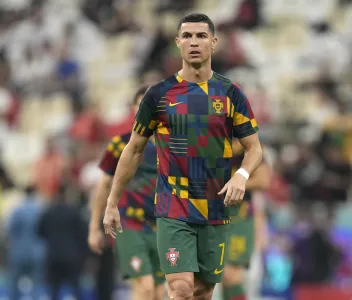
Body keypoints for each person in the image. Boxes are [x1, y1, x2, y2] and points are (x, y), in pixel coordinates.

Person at [103, 13, 263, 300]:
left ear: (213, 43)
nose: (193, 42)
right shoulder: (158, 95)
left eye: (201, 36)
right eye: (187, 36)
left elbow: (254, 148)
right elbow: (134, 149)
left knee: (203, 293)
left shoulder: (231, 93)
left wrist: (242, 175)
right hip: (173, 208)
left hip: (215, 209)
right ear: (177, 43)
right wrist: (112, 201)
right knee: (180, 289)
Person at [88, 84, 166, 300]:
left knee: (160, 293)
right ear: (133, 109)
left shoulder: (170, 146)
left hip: (162, 227)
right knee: (145, 286)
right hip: (130, 225)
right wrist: (94, 227)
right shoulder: (120, 145)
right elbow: (103, 186)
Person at [222, 140, 272, 300]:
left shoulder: (246, 142)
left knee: (231, 275)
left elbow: (263, 179)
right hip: (207, 215)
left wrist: (232, 185)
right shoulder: (202, 136)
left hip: (238, 219)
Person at [38, 185, 87, 300]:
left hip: (53, 255)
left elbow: (40, 231)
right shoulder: (74, 212)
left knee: (54, 289)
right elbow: (82, 234)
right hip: (72, 256)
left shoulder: (49, 212)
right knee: (76, 287)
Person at [6, 186, 45, 300]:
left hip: (18, 252)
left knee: (14, 286)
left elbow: (9, 231)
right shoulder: (40, 210)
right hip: (37, 253)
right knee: (36, 286)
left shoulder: (17, 210)